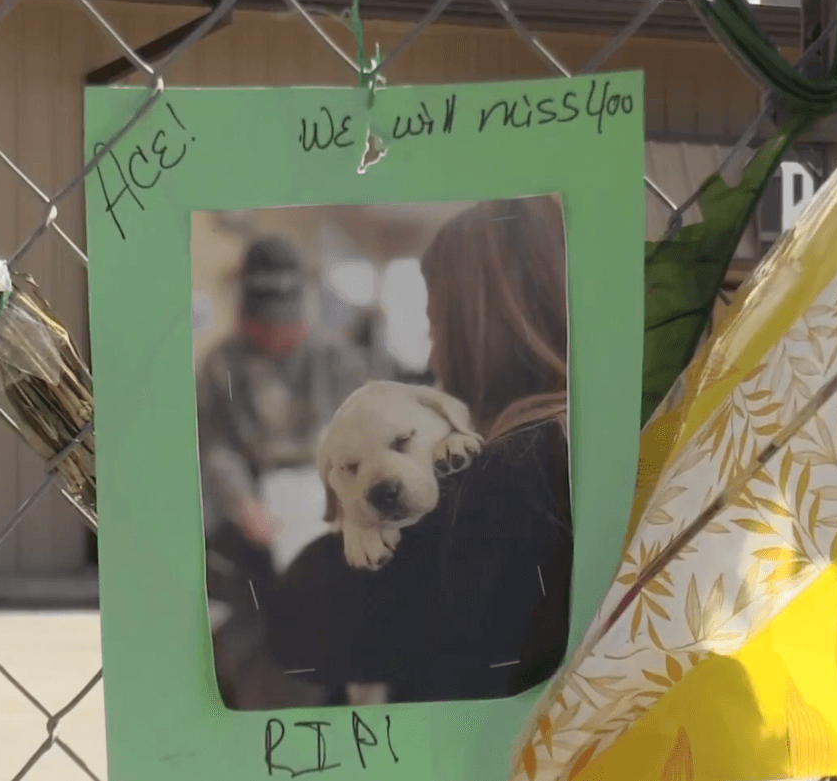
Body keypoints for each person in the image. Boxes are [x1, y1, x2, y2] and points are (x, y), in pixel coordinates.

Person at [268, 197, 573, 703]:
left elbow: (297, 625)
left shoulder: (512, 476)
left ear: (481, 330)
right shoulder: (578, 440)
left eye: (435, 330)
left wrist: (354, 523)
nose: (433, 356)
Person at [196, 236, 370, 710]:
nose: (274, 337)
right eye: (262, 325)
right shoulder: (220, 367)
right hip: (251, 545)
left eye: (285, 325)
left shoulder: (340, 363)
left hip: (335, 530)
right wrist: (243, 504)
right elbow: (216, 449)